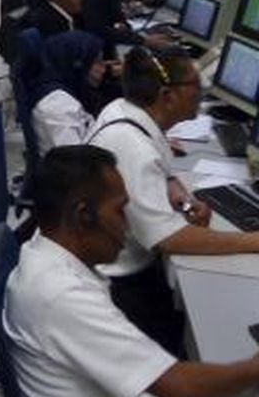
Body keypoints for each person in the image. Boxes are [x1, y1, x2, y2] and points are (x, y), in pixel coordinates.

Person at [6, 145, 259, 397]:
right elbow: (181, 388)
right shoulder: (60, 295)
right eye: (121, 210)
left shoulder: (41, 252)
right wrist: (254, 367)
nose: (128, 224)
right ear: (83, 216)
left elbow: (171, 389)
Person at [89, 47, 259, 356]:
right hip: (115, 287)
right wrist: (251, 241)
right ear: (167, 95)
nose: (203, 93)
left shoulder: (121, 110)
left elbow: (155, 167)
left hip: (110, 268)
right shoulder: (135, 149)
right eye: (197, 86)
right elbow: (169, 240)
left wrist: (174, 189)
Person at [30, 30, 111, 153]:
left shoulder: (67, 89)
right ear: (77, 65)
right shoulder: (57, 107)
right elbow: (77, 163)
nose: (103, 69)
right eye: (97, 62)